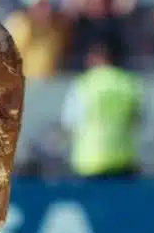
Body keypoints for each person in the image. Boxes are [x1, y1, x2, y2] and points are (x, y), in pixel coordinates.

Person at [60, 41, 143, 178]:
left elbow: (69, 122)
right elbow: (137, 119)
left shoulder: (84, 84)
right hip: (123, 161)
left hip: (89, 162)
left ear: (95, 58)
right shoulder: (129, 83)